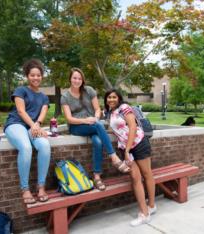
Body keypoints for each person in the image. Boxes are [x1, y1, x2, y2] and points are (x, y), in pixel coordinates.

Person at [61, 68, 130, 191]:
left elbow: (98, 109)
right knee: (98, 126)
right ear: (70, 79)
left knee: (98, 142)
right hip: (76, 126)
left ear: (82, 80)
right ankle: (114, 158)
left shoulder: (89, 91)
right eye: (74, 78)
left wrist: (95, 118)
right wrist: (86, 120)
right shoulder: (65, 97)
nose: (77, 80)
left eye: (79, 78)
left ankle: (97, 177)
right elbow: (69, 118)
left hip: (92, 124)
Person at [104, 89, 156, 227]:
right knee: (135, 178)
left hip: (138, 143)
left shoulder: (124, 108)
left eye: (114, 97)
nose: (111, 99)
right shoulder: (110, 113)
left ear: (119, 98)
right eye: (109, 97)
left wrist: (127, 150)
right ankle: (144, 213)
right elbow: (116, 130)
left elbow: (132, 126)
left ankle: (151, 205)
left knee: (147, 174)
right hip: (125, 148)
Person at [4, 59, 50, 204]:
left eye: (38, 75)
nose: (35, 78)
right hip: (16, 124)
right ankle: (25, 189)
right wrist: (34, 126)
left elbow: (42, 114)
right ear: (27, 76)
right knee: (26, 147)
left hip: (32, 127)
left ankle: (41, 186)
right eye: (32, 75)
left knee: (44, 146)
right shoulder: (21, 90)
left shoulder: (44, 97)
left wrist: (37, 124)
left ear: (42, 76)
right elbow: (21, 111)